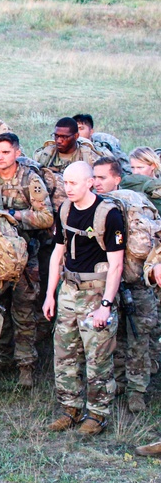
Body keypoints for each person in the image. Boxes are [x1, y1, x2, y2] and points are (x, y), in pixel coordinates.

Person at [43, 162, 124, 435]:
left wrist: (106, 306)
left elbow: (116, 266)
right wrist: (50, 295)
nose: (68, 188)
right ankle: (71, 408)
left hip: (96, 292)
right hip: (68, 291)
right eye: (65, 183)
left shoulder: (108, 215)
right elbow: (57, 254)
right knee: (64, 353)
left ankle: (97, 415)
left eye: (74, 183)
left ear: (90, 182)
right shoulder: (65, 209)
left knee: (97, 357)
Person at [0, 133, 53, 387]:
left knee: (23, 311)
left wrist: (13, 215)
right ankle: (3, 357)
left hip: (25, 257)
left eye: (6, 152)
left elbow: (46, 217)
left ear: (17, 153)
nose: (0, 157)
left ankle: (26, 366)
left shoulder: (30, 180)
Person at [91, 156, 157, 413]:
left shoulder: (135, 203)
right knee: (112, 336)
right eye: (94, 178)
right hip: (105, 282)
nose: (97, 183)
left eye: (102, 178)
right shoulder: (93, 206)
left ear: (117, 179)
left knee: (138, 337)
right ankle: (118, 381)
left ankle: (136, 390)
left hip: (137, 280)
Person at [34, 117, 104, 174]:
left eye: (64, 137)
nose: (58, 140)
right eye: (56, 136)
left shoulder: (90, 157)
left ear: (76, 136)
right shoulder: (43, 155)